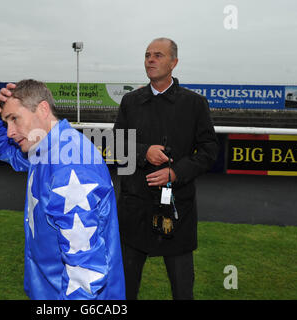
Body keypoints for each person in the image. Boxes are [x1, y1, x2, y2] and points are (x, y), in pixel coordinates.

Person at [0, 79, 125, 300]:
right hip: (50, 290)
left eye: (14, 119)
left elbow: (86, 270)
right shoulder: (43, 147)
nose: (9, 131)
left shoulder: (68, 163)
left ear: (42, 109)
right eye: (6, 122)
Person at [113, 38, 219, 300]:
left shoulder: (195, 104)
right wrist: (143, 152)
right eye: (148, 55)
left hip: (176, 210)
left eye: (158, 55)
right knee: (124, 291)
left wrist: (176, 172)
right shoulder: (130, 101)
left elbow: (209, 150)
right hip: (134, 208)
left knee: (183, 291)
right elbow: (116, 145)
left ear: (174, 62)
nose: (150, 59)